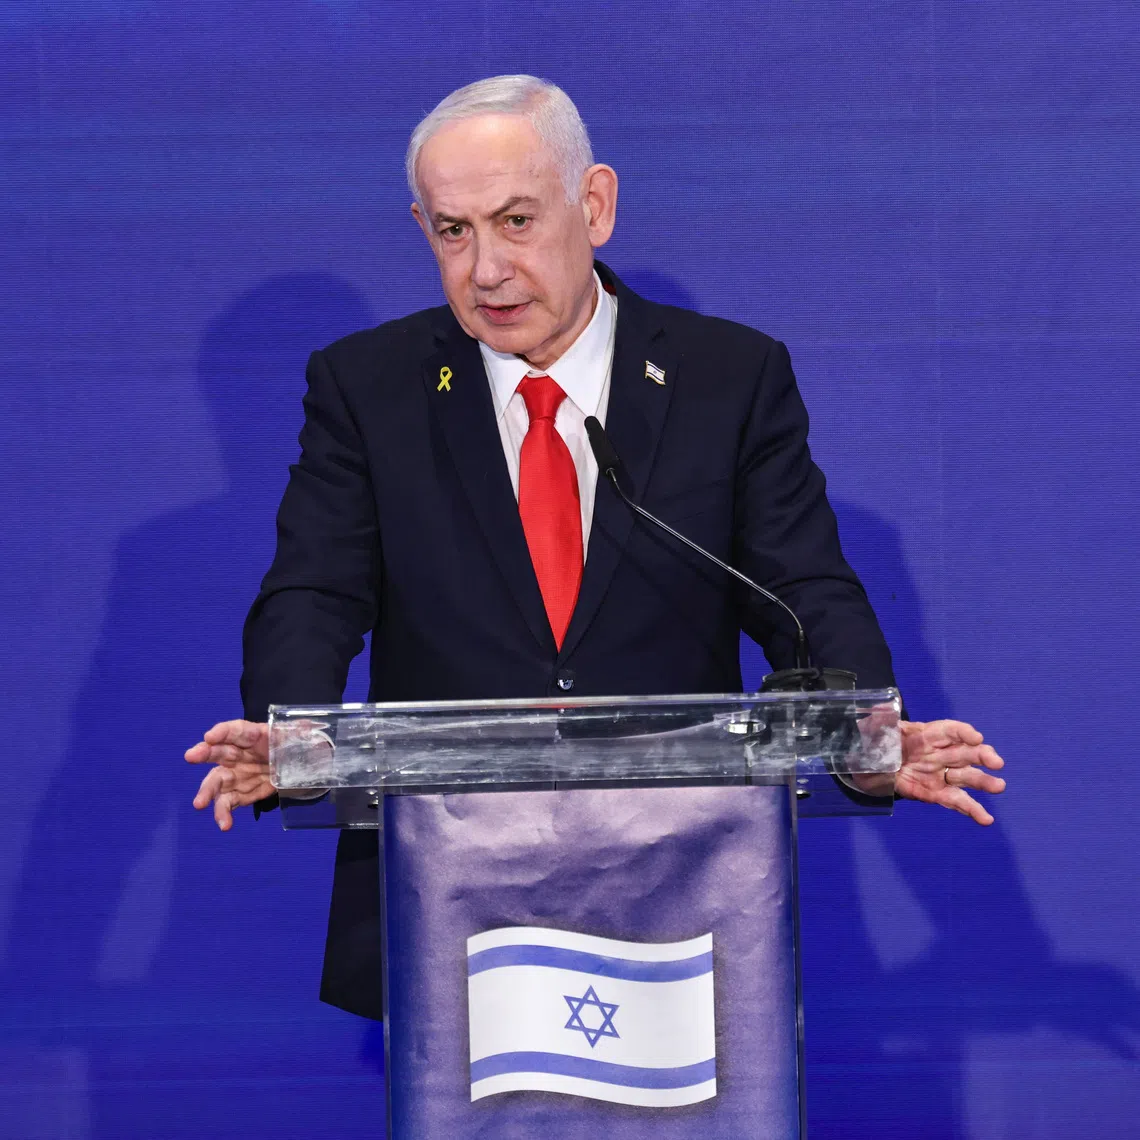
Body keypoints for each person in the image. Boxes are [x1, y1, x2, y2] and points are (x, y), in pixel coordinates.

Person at [185, 75, 1005, 1019]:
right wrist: (297, 731)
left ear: (596, 204)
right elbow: (313, 593)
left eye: (516, 220)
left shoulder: (728, 378)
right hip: (450, 888)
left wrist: (860, 733)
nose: (486, 268)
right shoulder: (368, 387)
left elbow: (803, 588)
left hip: (682, 882)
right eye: (454, 231)